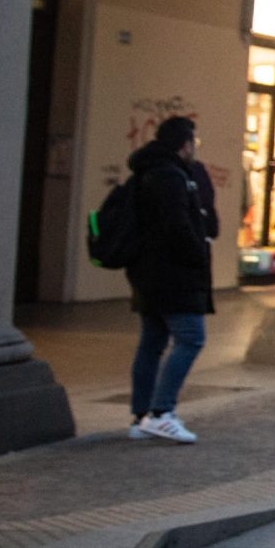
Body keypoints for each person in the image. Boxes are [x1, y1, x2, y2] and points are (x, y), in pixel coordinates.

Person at [123, 115, 213, 443]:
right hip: (173, 274)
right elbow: (176, 225)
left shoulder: (146, 171)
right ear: (184, 144)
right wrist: (197, 255)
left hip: (148, 273)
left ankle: (141, 416)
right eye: (194, 142)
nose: (195, 149)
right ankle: (161, 413)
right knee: (191, 338)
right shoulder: (171, 176)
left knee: (152, 342)